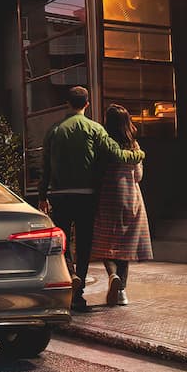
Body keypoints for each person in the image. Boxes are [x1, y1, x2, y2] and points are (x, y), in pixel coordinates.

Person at [38, 87, 145, 313]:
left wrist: (41, 195)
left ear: (67, 103)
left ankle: (71, 274)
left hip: (59, 194)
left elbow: (45, 167)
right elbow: (116, 154)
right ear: (87, 104)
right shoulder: (95, 129)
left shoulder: (54, 130)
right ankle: (79, 296)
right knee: (84, 244)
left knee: (63, 241)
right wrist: (138, 155)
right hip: (86, 195)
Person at [91, 104, 153, 306]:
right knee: (125, 246)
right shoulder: (133, 145)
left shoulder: (103, 143)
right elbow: (139, 176)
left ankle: (112, 276)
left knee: (105, 244)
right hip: (130, 197)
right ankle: (122, 293)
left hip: (107, 198)